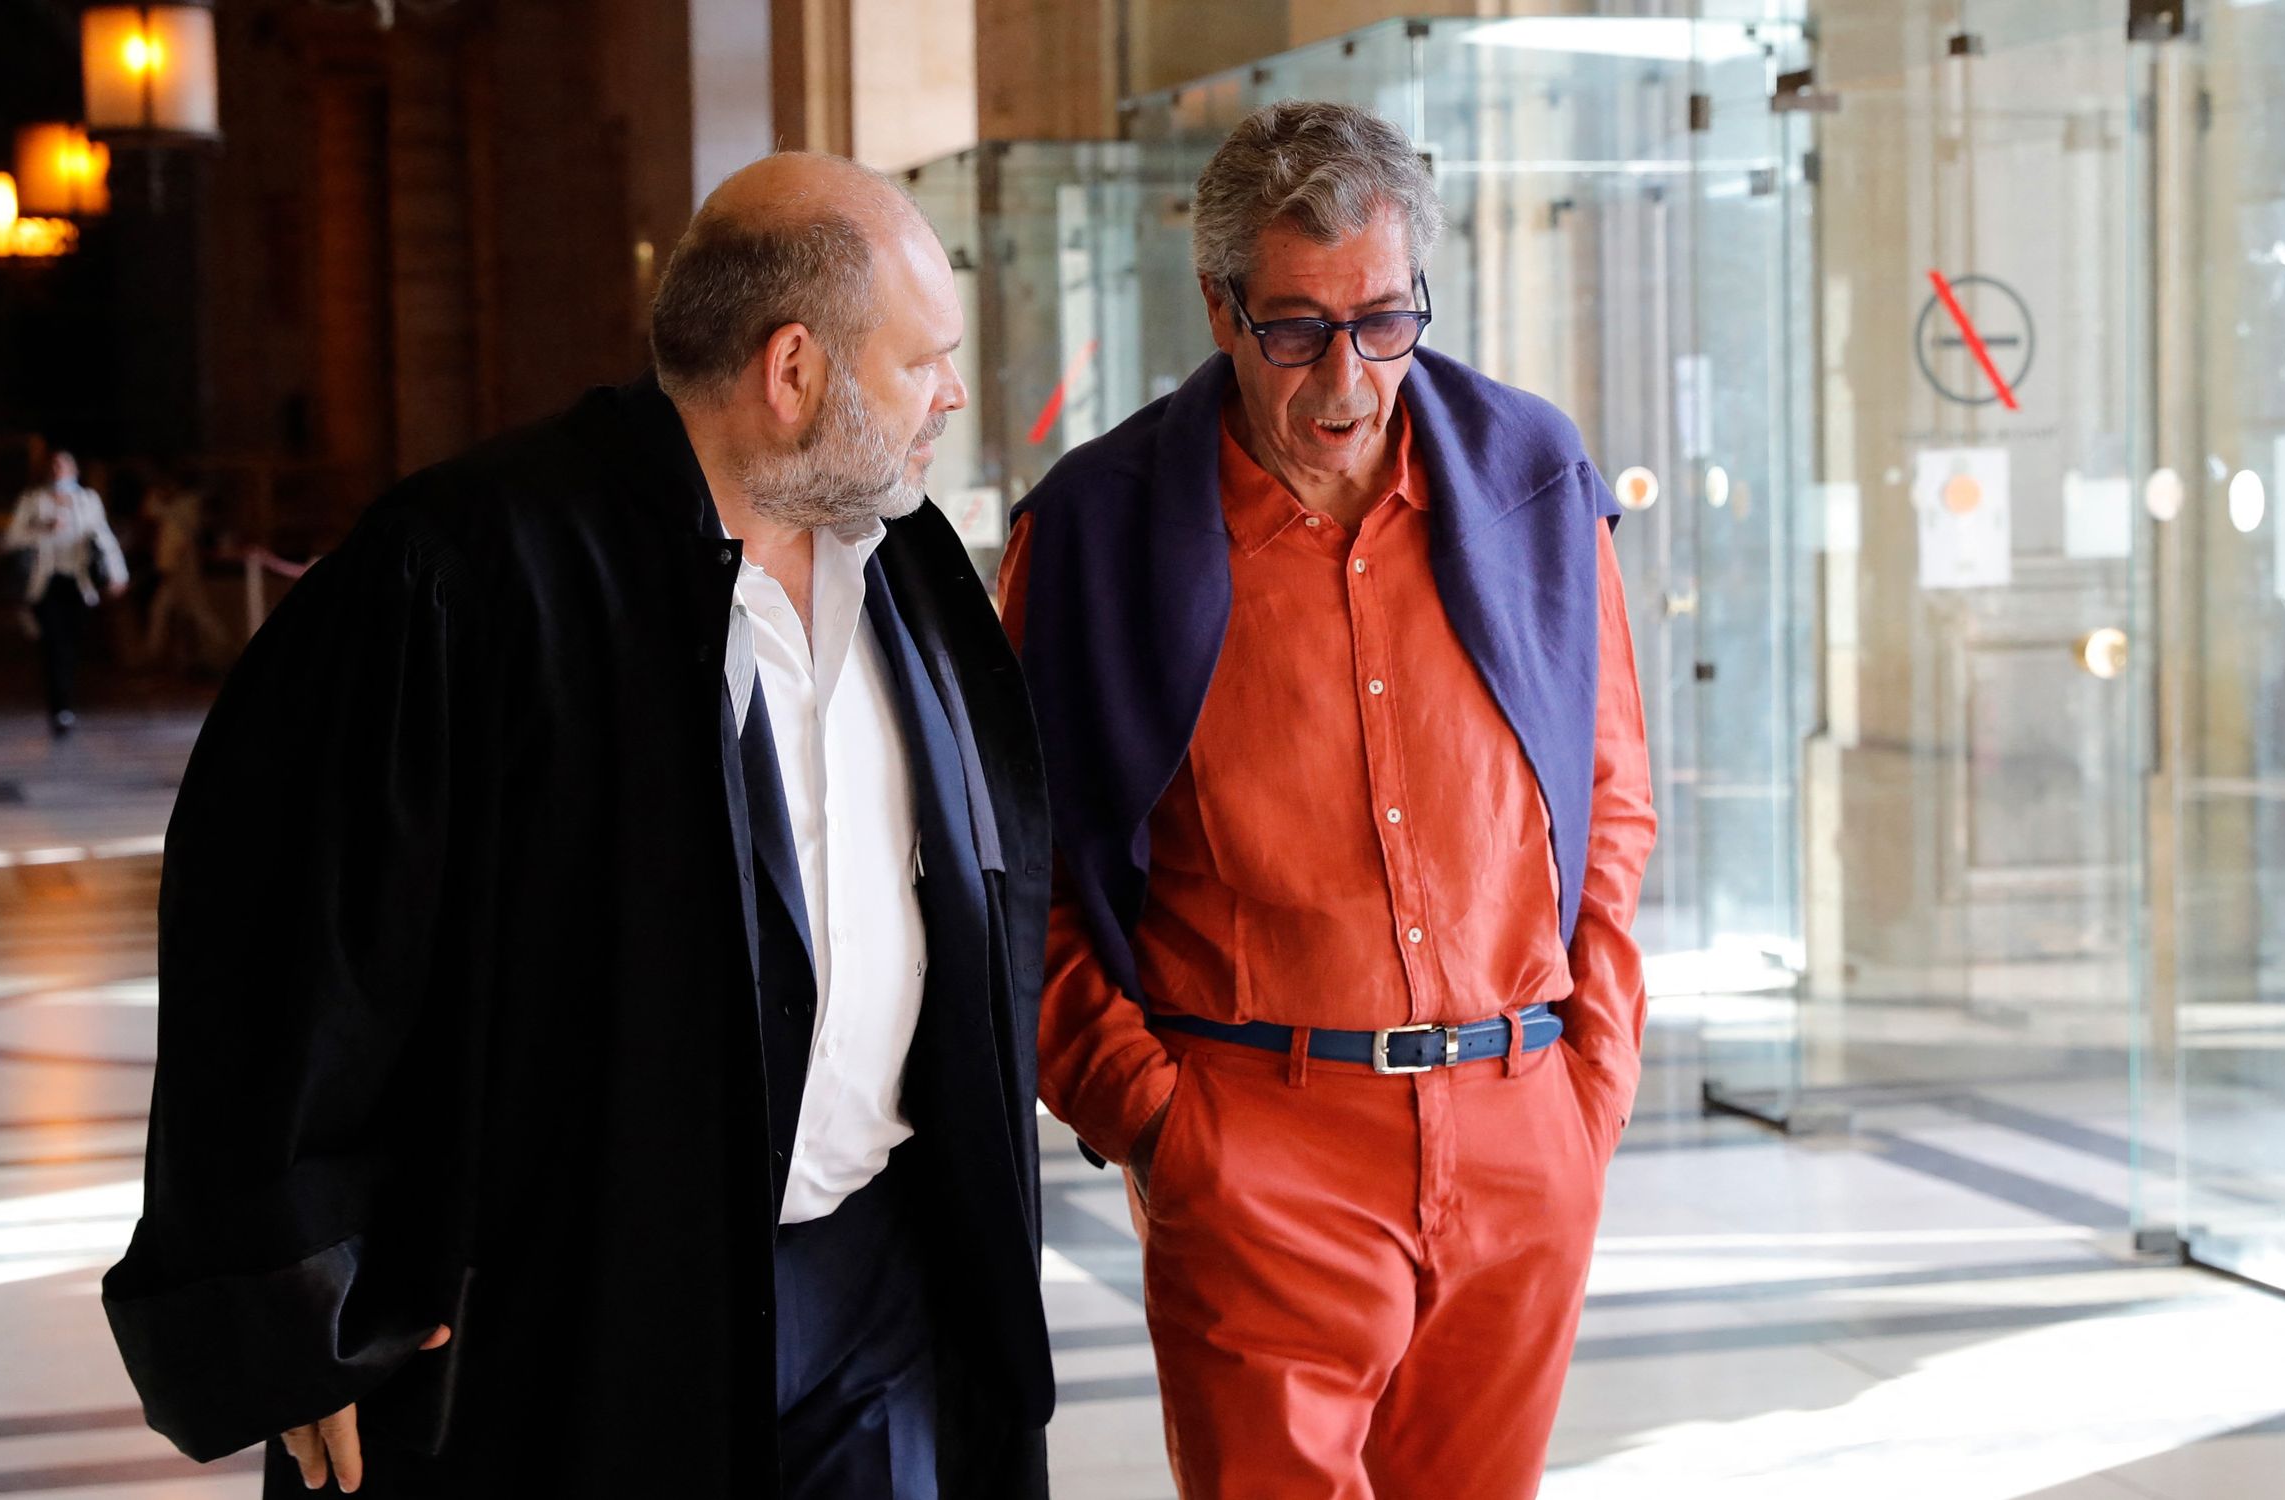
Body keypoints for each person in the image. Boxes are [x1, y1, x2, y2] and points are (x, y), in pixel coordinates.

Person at [104, 153, 1055, 1499]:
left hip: (876, 1291)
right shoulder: (465, 572)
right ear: (793, 371)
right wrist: (297, 1307)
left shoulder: (905, 567)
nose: (952, 394)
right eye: (924, 361)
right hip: (581, 1320)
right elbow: (282, 946)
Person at [1000, 101, 1657, 1498]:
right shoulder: (1096, 533)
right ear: (1221, 308)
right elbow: (1021, 875)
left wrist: (1587, 1089)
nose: (1349, 381)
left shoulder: (1537, 481)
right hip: (1255, 1150)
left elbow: (1610, 800)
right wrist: (1161, 1127)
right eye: (1298, 331)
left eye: (1385, 322)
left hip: (1520, 1132)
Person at [3, 448, 128, 734]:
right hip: (45, 584)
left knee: (71, 644)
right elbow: (12, 538)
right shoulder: (33, 500)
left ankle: (67, 700)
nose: (57, 471)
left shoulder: (87, 500)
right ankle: (60, 707)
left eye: (63, 466)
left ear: (74, 471)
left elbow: (103, 537)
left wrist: (117, 574)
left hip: (78, 583)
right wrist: (42, 527)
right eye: (53, 466)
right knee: (53, 643)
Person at [137, 471, 234, 671]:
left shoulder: (186, 504)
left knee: (198, 612)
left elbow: (177, 531)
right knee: (160, 610)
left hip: (183, 567)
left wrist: (157, 495)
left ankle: (226, 649)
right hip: (172, 568)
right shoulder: (174, 506)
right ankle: (152, 655)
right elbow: (150, 512)